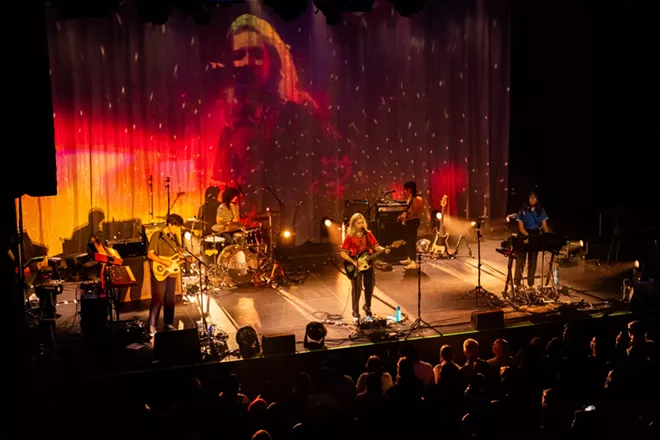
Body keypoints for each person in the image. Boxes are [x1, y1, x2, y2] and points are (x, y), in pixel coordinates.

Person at [340, 213, 389, 323]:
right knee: (357, 288)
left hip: (368, 263)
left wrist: (384, 249)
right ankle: (355, 311)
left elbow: (376, 247)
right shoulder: (349, 237)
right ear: (353, 224)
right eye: (359, 223)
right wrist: (353, 262)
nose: (361, 225)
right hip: (355, 263)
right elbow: (343, 253)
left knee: (370, 286)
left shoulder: (368, 234)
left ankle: (367, 307)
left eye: (363, 222)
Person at [147, 214, 184, 335]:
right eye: (176, 226)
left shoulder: (175, 238)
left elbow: (177, 256)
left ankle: (168, 323)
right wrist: (164, 262)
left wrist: (186, 259)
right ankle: (152, 325)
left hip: (172, 272)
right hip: (160, 270)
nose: (177, 229)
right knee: (158, 299)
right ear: (170, 224)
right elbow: (150, 254)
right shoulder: (157, 235)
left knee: (170, 299)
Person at [515, 191, 549, 287]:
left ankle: (530, 283)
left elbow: (544, 225)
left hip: (536, 234)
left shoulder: (541, 211)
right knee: (521, 260)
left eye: (534, 198)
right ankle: (517, 283)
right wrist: (527, 236)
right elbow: (520, 226)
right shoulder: (523, 210)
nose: (532, 200)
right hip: (525, 235)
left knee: (533, 260)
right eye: (530, 198)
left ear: (537, 200)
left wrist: (547, 236)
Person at [397, 181, 424, 270]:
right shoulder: (411, 197)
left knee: (411, 242)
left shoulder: (417, 199)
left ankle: (413, 261)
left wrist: (405, 215)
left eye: (406, 189)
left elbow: (416, 212)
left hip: (413, 221)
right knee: (408, 241)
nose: (406, 192)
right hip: (409, 221)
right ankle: (409, 258)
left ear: (410, 189)